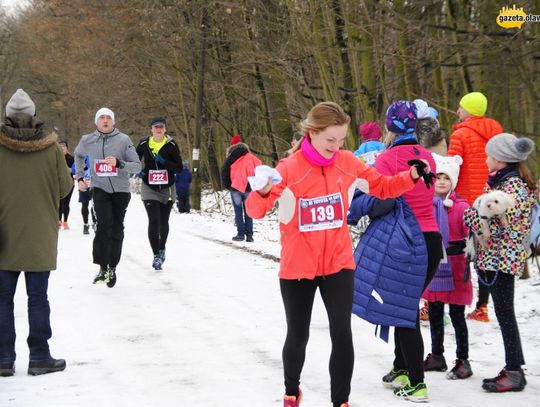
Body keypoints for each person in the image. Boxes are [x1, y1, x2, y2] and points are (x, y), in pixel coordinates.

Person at [245, 102, 425, 407]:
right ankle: (292, 391)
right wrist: (261, 191)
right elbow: (256, 210)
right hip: (298, 267)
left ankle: (341, 401)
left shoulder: (346, 162)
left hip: (339, 263)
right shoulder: (289, 169)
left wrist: (409, 177)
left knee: (342, 333)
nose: (336, 147)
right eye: (330, 140)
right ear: (312, 133)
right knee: (298, 334)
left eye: (341, 141)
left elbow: (381, 186)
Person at [370, 100, 442, 402]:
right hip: (431, 241)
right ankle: (401, 367)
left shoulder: (385, 160)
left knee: (404, 312)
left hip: (404, 242)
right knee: (405, 305)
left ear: (389, 126)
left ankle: (416, 381)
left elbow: (379, 200)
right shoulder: (428, 157)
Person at [0, 89, 73, 377]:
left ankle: (4, 358)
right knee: (38, 297)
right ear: (33, 116)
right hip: (40, 234)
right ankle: (40, 356)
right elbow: (66, 188)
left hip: (3, 236)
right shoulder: (52, 148)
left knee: (2, 299)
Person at [464, 133, 535, 393]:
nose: (486, 160)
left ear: (501, 160)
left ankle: (514, 371)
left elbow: (492, 220)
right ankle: (514, 365)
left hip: (502, 259)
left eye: (489, 155)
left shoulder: (511, 188)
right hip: (497, 258)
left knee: (505, 313)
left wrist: (469, 214)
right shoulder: (503, 183)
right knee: (505, 312)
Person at [448, 92, 503, 322]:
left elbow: (451, 168)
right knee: (484, 252)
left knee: (458, 252)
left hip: (465, 202)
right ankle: (482, 306)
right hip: (491, 202)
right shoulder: (498, 133)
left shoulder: (460, 135)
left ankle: (453, 301)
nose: (458, 111)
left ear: (469, 110)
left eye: (461, 107)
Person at [74, 107, 141, 287]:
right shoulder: (87, 140)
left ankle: (113, 267)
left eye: (108, 118)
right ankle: (102, 268)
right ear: (96, 122)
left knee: (117, 228)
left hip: (121, 190)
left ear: (113, 121)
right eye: (101, 118)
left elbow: (137, 166)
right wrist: (80, 176)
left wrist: (119, 163)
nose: (105, 120)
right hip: (99, 189)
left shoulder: (123, 140)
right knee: (104, 226)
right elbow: (78, 155)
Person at [421, 154, 473, 380]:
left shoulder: (461, 207)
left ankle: (463, 359)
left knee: (457, 314)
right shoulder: (425, 205)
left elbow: (470, 230)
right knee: (434, 312)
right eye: (438, 177)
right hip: (434, 267)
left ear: (453, 181)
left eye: (446, 178)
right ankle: (437, 354)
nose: (441, 181)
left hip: (455, 266)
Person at [136, 117, 182, 270]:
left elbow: (179, 168)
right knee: (153, 220)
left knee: (163, 221)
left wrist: (164, 162)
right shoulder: (143, 144)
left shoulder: (171, 145)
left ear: (165, 129)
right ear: (151, 129)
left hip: (167, 188)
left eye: (161, 127)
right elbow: (134, 162)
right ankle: (156, 255)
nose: (158, 129)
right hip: (149, 188)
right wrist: (140, 172)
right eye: (156, 127)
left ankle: (162, 248)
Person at [221, 134, 261, 242]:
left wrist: (228, 186)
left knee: (238, 212)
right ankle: (249, 235)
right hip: (249, 188)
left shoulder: (230, 158)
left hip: (235, 188)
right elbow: (260, 169)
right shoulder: (251, 157)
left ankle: (240, 234)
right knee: (249, 211)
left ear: (232, 146)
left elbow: (224, 173)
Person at [58, 140, 75, 229]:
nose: (62, 149)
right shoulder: (56, 158)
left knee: (66, 203)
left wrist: (71, 170)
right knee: (60, 202)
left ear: (67, 148)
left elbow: (76, 169)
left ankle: (65, 221)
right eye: (60, 147)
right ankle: (59, 220)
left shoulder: (71, 158)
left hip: (70, 183)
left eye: (64, 147)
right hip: (59, 184)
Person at [79, 155, 96, 235]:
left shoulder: (98, 150)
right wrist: (82, 166)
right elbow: (75, 168)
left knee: (95, 205)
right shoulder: (82, 152)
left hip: (95, 185)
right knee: (84, 205)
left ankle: (95, 222)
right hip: (84, 184)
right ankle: (85, 224)